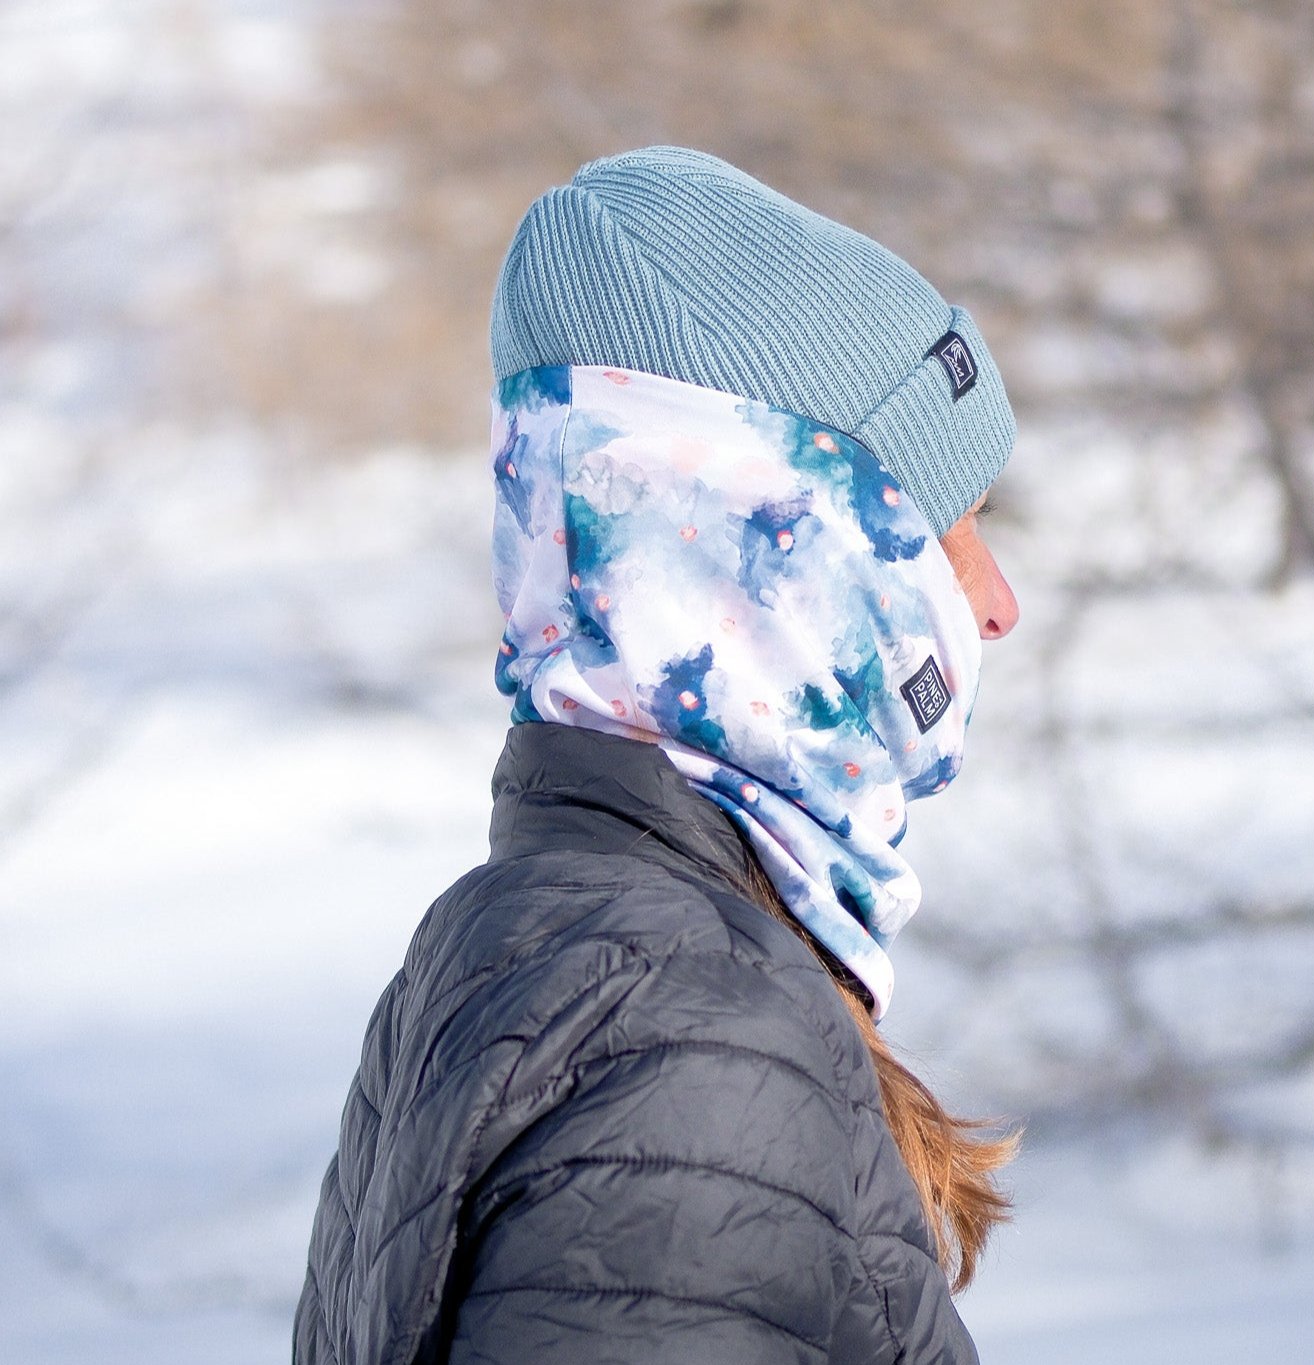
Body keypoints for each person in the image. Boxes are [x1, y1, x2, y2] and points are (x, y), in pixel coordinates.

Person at [295, 146, 1021, 1365]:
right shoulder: (686, 1029)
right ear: (776, 555)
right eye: (950, 532)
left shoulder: (535, 946)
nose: (997, 604)